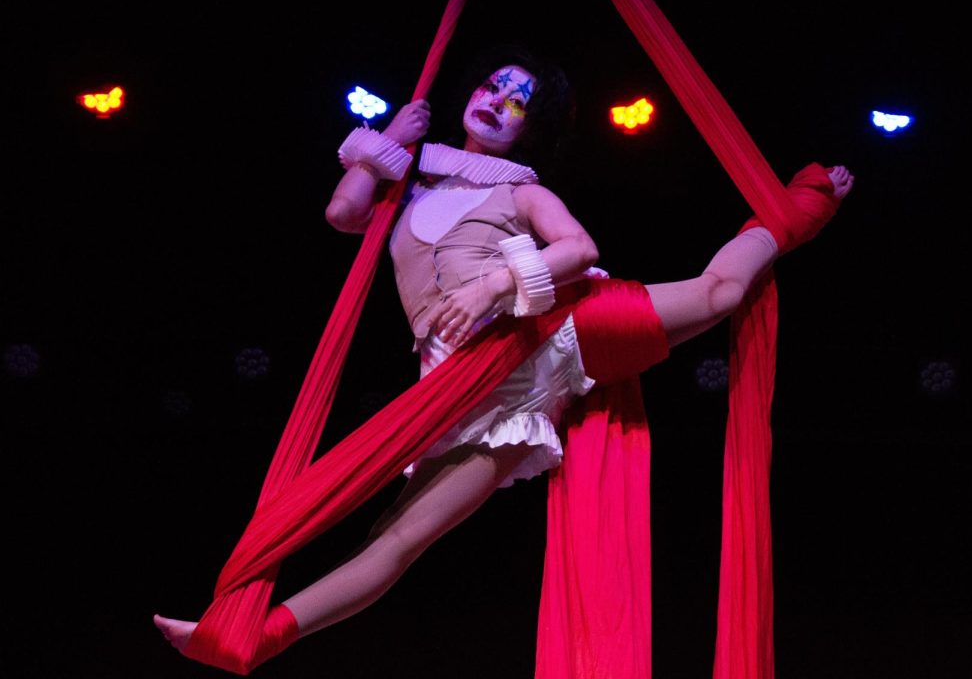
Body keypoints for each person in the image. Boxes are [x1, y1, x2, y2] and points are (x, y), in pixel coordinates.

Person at [154, 43, 854, 661]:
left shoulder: (521, 188)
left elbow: (579, 250)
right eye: (495, 86)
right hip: (469, 386)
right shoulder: (406, 183)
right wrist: (384, 139)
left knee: (717, 293)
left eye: (520, 102)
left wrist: (495, 279)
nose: (500, 102)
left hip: (556, 332)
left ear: (531, 128)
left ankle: (797, 211)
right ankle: (253, 637)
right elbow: (344, 214)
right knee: (396, 540)